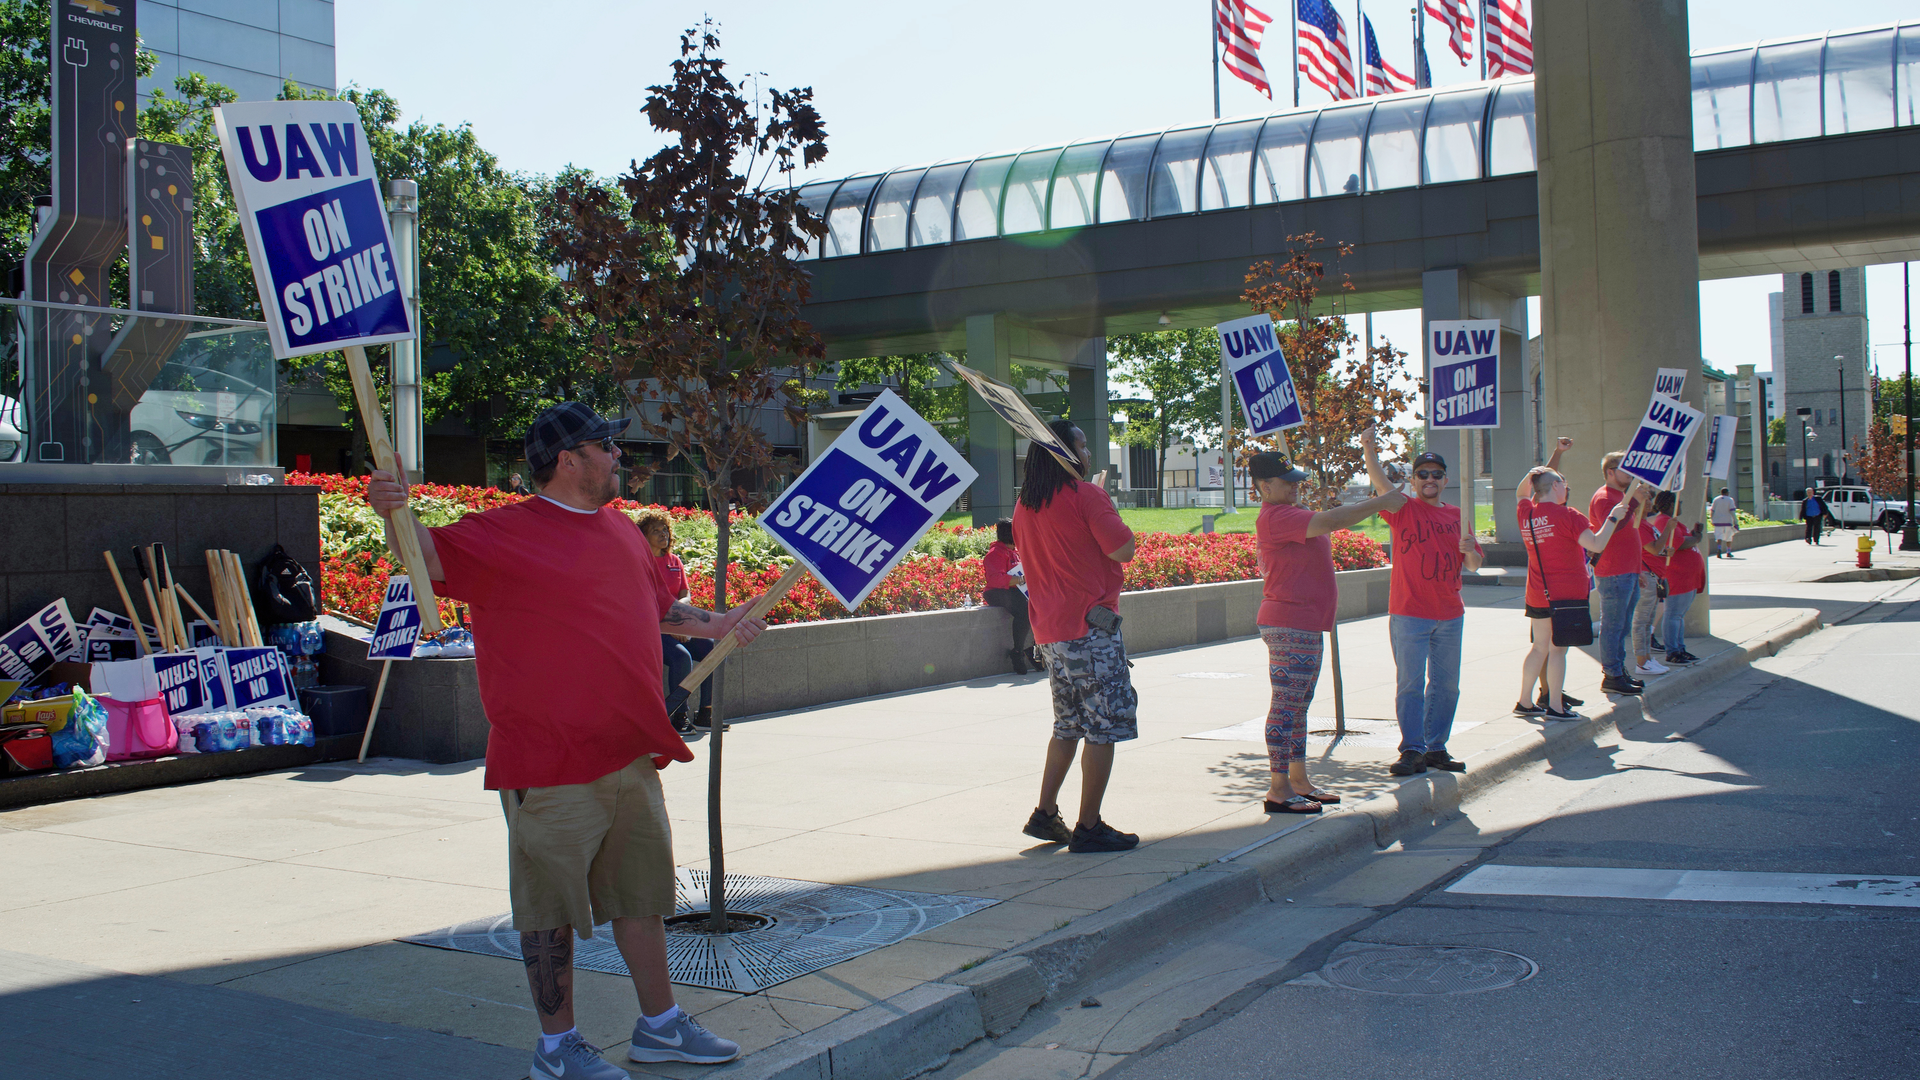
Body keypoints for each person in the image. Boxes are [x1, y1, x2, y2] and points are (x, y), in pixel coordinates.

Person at [365, 402, 766, 1079]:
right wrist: (390, 511)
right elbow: (422, 553)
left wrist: (719, 623)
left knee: (641, 899)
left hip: (631, 753)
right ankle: (557, 1050)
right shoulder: (502, 532)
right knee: (548, 913)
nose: (618, 455)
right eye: (606, 445)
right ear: (568, 459)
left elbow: (658, 609)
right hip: (548, 762)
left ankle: (660, 1026)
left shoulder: (623, 532)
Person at [1252, 450, 1409, 810]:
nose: (1295, 486)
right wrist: (1381, 502)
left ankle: (1298, 781)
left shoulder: (1291, 513)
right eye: (1287, 482)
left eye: (1296, 480)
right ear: (1265, 486)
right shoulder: (1276, 517)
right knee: (1286, 707)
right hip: (1289, 622)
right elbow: (1331, 520)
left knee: (1298, 707)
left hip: (1305, 622)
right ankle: (1278, 790)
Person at [1013, 420, 1141, 853]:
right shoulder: (1088, 496)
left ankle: (1046, 812)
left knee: (1067, 725)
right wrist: (1103, 503)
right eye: (1082, 446)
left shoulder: (1025, 505)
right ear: (1064, 453)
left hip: (1051, 634)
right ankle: (1089, 826)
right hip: (1091, 632)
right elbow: (1123, 549)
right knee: (1103, 728)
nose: (1088, 453)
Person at [1362, 428, 1484, 778]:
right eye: (1423, 474)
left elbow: (1474, 565)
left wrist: (1470, 550)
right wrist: (1369, 447)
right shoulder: (1403, 509)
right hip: (1409, 613)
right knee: (1410, 686)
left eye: (1436, 474)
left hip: (1450, 615)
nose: (1430, 479)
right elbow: (1381, 483)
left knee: (1446, 686)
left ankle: (1436, 747)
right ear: (1413, 481)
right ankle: (1412, 749)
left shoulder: (1458, 514)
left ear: (1445, 480)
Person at [1518, 466, 1644, 720]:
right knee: (1558, 650)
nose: (1566, 489)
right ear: (1555, 486)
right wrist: (1612, 518)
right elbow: (1596, 543)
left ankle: (1524, 701)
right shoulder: (1569, 515)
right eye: (1563, 484)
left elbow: (1521, 493)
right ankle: (1555, 706)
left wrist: (1531, 474)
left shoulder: (1527, 513)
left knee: (1539, 648)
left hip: (1537, 592)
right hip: (1566, 594)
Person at [636, 509, 717, 735]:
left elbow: (685, 594)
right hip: (653, 629)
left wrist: (680, 618)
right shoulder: (640, 562)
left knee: (714, 651)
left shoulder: (674, 561)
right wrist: (673, 623)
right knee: (682, 657)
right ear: (643, 535)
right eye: (656, 531)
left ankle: (705, 714)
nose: (663, 534)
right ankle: (678, 716)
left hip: (679, 622)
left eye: (665, 530)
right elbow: (646, 600)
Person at [1589, 452, 1654, 696]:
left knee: (1622, 626)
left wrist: (1637, 569)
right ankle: (1612, 675)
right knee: (1613, 626)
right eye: (1626, 469)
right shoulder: (1605, 497)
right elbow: (1613, 528)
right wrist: (1634, 501)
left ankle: (1618, 670)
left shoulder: (1619, 496)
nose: (1631, 474)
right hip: (1614, 571)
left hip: (1627, 571)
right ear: (1610, 472)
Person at [1648, 500, 1707, 666]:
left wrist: (1693, 535)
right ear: (1670, 505)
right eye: (1678, 502)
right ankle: (1672, 651)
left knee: (1678, 615)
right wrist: (1695, 538)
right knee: (1673, 614)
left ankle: (1680, 648)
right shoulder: (1664, 521)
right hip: (1677, 575)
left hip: (1687, 577)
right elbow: (1677, 543)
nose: (1681, 504)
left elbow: (1684, 539)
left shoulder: (1672, 521)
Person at [1632, 493, 1683, 678]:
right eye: (1645, 499)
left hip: (1654, 575)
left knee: (1647, 621)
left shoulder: (1647, 525)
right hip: (1647, 576)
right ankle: (1641, 662)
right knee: (1641, 621)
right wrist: (1668, 529)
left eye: (1649, 499)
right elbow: (1652, 548)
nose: (1649, 502)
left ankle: (1647, 658)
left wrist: (1665, 552)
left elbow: (1654, 549)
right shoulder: (1639, 526)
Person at [982, 518, 1041, 674]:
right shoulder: (995, 553)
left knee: (1040, 605)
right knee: (1025, 611)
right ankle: (1018, 652)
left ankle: (1033, 648)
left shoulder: (1015, 552)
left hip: (1016, 590)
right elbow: (996, 579)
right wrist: (1023, 579)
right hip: (997, 592)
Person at [1710, 487, 1738, 558]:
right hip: (1727, 521)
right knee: (1729, 537)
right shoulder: (1730, 500)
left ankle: (1719, 549)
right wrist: (1735, 522)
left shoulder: (1716, 499)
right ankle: (1728, 552)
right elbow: (1732, 511)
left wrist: (1712, 520)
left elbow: (1712, 511)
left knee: (1719, 537)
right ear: (1727, 493)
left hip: (1717, 522)